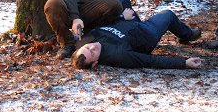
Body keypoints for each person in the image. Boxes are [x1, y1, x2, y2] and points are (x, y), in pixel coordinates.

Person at [71, 8, 202, 69]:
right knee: (167, 14)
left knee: (120, 0)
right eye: (93, 53)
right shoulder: (119, 55)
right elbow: (150, 61)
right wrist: (184, 63)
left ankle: (127, 15)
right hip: (146, 32)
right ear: (95, 62)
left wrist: (121, 17)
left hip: (126, 21)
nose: (93, 46)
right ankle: (187, 35)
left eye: (88, 47)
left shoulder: (82, 42)